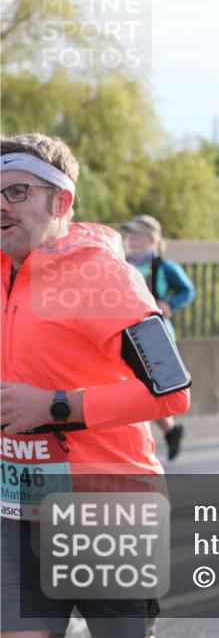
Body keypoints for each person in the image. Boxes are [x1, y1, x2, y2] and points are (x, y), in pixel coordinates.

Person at [1, 133, 191, 637]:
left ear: (60, 200)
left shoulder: (105, 277)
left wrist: (55, 406)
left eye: (16, 192)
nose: (1, 206)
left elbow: (170, 391)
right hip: (16, 515)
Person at [123, 214, 195, 461]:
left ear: (153, 238)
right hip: (126, 334)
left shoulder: (165, 267)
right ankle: (170, 432)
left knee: (151, 389)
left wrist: (170, 304)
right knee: (138, 389)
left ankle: (150, 441)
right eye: (130, 233)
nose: (132, 239)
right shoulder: (121, 263)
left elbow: (188, 290)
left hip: (157, 335)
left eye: (138, 234)